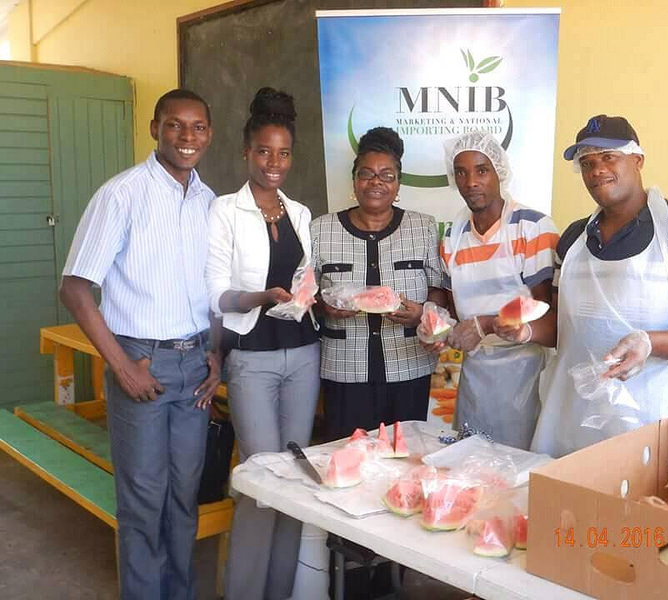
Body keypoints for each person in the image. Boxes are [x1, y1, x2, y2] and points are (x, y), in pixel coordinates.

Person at [59, 89, 220, 599]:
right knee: (144, 499)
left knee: (183, 496)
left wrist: (214, 353)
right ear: (155, 129)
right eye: (175, 125)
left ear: (209, 135)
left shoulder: (209, 201)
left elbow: (211, 289)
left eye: (197, 127)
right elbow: (74, 287)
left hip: (194, 365)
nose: (187, 137)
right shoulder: (121, 194)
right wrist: (124, 367)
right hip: (141, 362)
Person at [531, 114, 668, 458]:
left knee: (648, 507)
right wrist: (521, 332)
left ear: (637, 160)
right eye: (587, 162)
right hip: (573, 417)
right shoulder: (572, 241)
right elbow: (561, 328)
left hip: (654, 416)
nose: (596, 170)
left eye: (609, 157)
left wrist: (648, 342)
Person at [205, 87, 319, 600]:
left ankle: (282, 590)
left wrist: (309, 294)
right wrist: (260, 296)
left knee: (294, 472)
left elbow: (305, 278)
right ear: (247, 153)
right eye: (264, 152)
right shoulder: (224, 212)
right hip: (251, 355)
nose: (275, 163)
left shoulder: (299, 212)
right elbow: (215, 294)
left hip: (303, 350)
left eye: (284, 153)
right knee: (260, 475)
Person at [311, 127, 445, 441]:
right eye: (367, 174)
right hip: (344, 369)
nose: (376, 182)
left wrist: (423, 314)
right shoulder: (321, 229)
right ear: (354, 179)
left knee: (405, 457)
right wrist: (323, 305)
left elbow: (437, 289)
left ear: (398, 184)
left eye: (387, 175)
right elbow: (306, 293)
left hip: (409, 365)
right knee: (350, 455)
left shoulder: (422, 226)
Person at [432, 131, 559, 450]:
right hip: (466, 370)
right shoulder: (453, 237)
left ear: (499, 172)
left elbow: (546, 313)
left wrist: (486, 325)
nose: (471, 181)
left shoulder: (532, 227)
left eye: (481, 170)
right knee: (465, 459)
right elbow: (450, 309)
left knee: (516, 464)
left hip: (522, 370)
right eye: (461, 172)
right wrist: (433, 325)